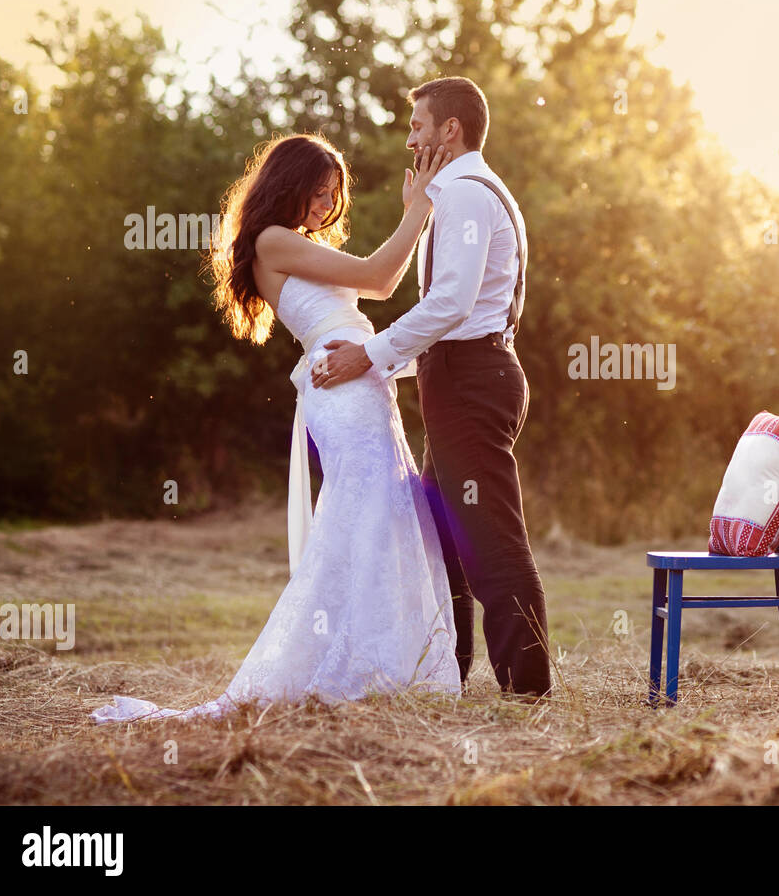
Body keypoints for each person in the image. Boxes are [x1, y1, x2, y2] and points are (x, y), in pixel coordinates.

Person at [91, 134, 460, 723]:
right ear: (287, 185)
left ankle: (378, 660)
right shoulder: (272, 240)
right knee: (367, 516)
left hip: (356, 382)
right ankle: (355, 664)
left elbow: (372, 285)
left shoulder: (292, 242)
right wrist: (421, 206)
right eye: (317, 193)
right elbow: (381, 278)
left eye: (333, 197)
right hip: (342, 389)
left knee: (377, 515)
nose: (324, 207)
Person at [313, 77, 551, 699]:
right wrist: (388, 369)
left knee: (490, 538)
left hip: (473, 382)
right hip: (459, 376)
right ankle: (450, 672)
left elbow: (451, 304)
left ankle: (527, 691)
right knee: (442, 533)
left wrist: (369, 355)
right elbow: (455, 322)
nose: (409, 136)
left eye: (418, 124)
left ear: (451, 129)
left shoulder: (469, 196)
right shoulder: (456, 196)